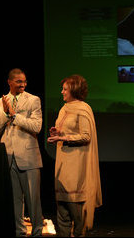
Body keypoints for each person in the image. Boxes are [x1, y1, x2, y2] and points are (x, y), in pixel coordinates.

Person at [47, 75, 102, 237]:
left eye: (65, 89)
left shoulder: (83, 109)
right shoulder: (65, 108)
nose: (62, 92)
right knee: (62, 211)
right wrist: (57, 133)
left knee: (75, 211)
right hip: (63, 163)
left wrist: (63, 138)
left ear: (74, 90)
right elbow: (66, 130)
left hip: (77, 166)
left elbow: (86, 136)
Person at [0, 68, 43, 237]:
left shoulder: (33, 100)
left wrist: (15, 116)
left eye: (25, 81)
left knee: (33, 200)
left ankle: (37, 233)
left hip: (28, 156)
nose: (23, 84)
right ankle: (19, 232)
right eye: (19, 81)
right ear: (10, 82)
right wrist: (6, 114)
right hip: (8, 156)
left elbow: (37, 127)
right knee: (14, 201)